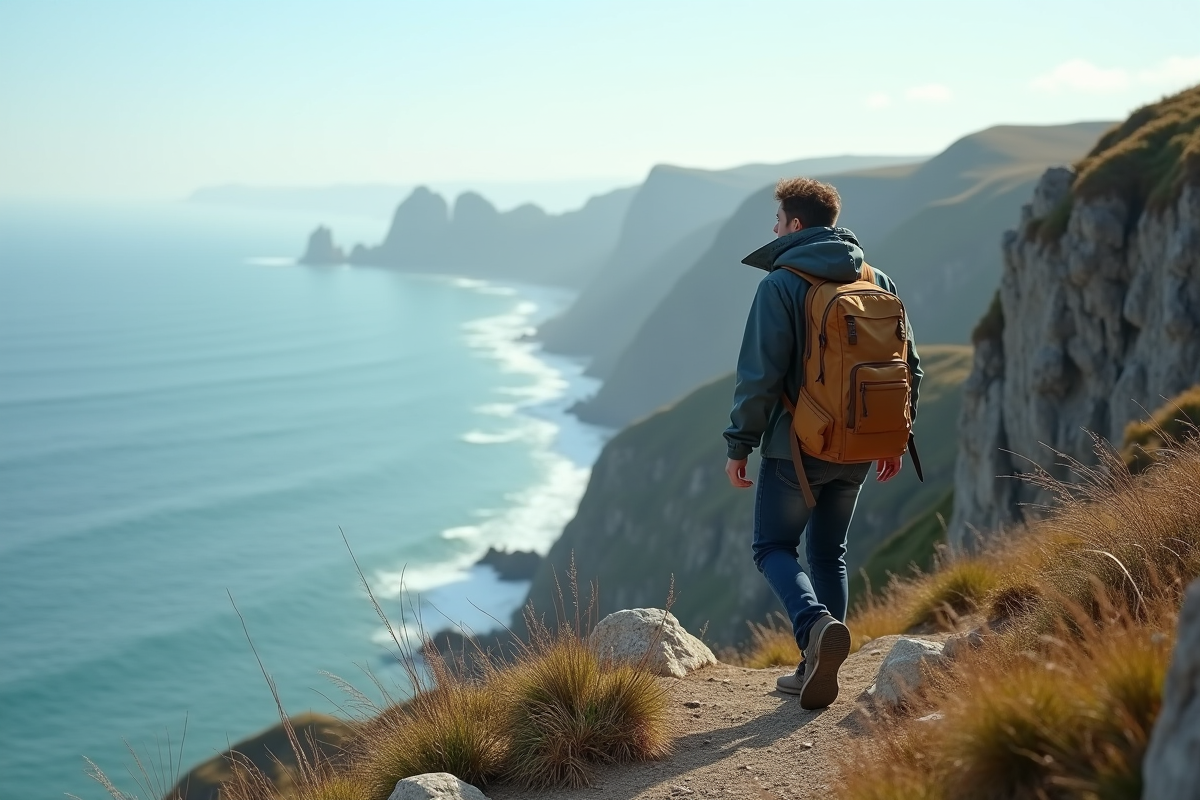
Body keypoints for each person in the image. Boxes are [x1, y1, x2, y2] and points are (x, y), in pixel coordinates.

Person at [723, 177, 922, 709]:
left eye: (779, 220)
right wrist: (895, 437)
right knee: (829, 552)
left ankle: (814, 629)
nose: (773, 228)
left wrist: (739, 443)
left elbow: (760, 376)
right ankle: (816, 665)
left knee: (772, 547)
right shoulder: (876, 277)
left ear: (795, 224)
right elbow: (909, 367)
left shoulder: (782, 284)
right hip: (862, 441)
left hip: (800, 446)